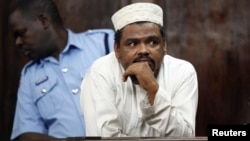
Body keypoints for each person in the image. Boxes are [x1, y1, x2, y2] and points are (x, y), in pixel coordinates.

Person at [80, 2, 198, 137]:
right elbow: (103, 137)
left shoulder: (183, 72)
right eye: (132, 44)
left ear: (164, 45)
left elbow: (185, 137)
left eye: (152, 42)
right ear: (117, 49)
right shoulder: (101, 71)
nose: (143, 50)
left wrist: (153, 90)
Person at [8, 0, 114, 140]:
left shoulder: (104, 42)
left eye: (21, 33)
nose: (18, 42)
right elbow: (27, 133)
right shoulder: (30, 75)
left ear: (43, 20)